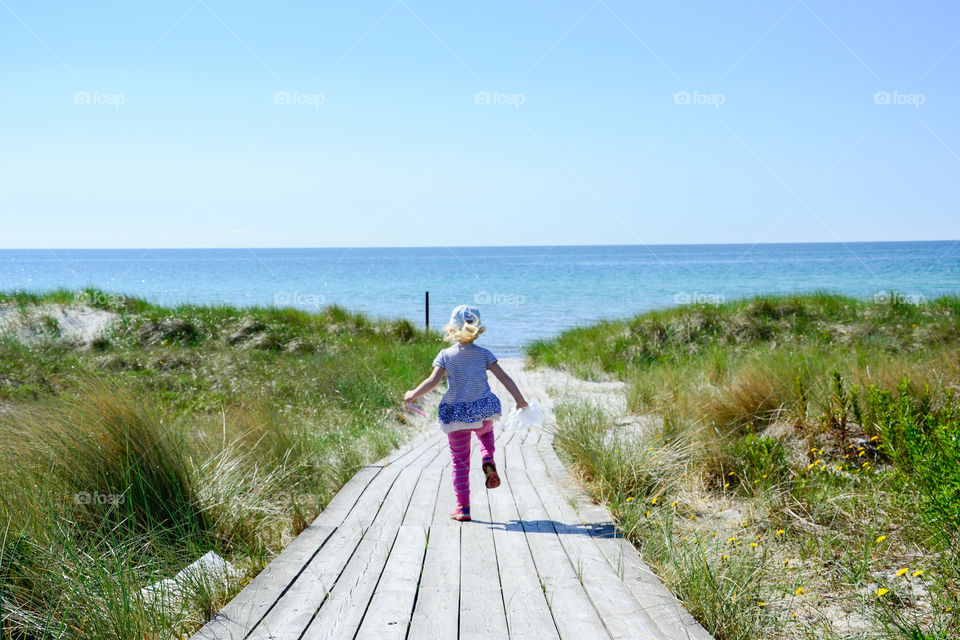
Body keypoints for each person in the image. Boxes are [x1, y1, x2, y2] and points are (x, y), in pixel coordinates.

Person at [404, 304, 528, 521]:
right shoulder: (484, 354)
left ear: (452, 329)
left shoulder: (445, 355)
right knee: (485, 433)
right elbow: (504, 377)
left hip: (456, 415)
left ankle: (463, 508)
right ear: (478, 329)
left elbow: (432, 382)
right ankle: (487, 456)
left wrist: (413, 394)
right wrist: (520, 400)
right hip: (482, 409)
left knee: (459, 462)